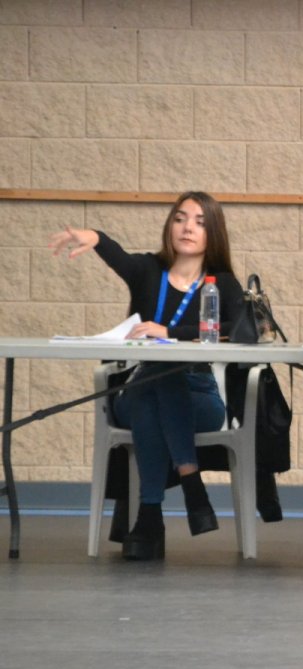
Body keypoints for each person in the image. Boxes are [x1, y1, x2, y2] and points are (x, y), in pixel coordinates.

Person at [49, 191, 245, 561]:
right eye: (180, 218)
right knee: (155, 377)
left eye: (200, 222)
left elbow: (238, 327)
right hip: (142, 388)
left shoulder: (220, 284)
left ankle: (149, 518)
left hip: (199, 397)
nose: (188, 228)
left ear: (213, 233)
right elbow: (117, 254)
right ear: (169, 226)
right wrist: (94, 238)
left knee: (158, 382)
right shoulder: (148, 272)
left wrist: (168, 332)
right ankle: (190, 480)